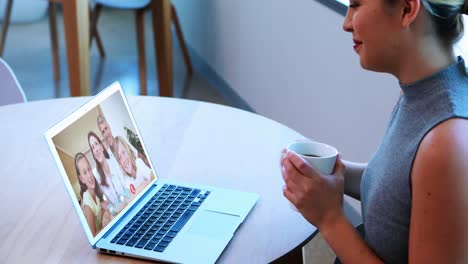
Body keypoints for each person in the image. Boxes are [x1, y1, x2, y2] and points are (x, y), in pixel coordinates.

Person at [280, 0, 468, 263]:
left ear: (406, 9)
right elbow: (401, 186)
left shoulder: (447, 141)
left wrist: (330, 219)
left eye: (356, 4)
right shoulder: (423, 91)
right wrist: (335, 174)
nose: (346, 23)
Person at [88, 131, 129, 216]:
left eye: (96, 144)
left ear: (101, 146)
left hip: (129, 204)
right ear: (93, 154)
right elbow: (105, 205)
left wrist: (125, 202)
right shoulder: (95, 175)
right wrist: (115, 210)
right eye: (92, 148)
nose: (95, 149)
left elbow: (126, 185)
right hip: (118, 214)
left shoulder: (113, 160)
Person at [75, 153, 111, 236]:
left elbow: (100, 209)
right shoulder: (87, 204)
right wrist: (109, 223)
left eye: (89, 169)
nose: (89, 175)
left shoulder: (94, 189)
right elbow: (94, 236)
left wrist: (104, 211)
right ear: (81, 179)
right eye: (84, 172)